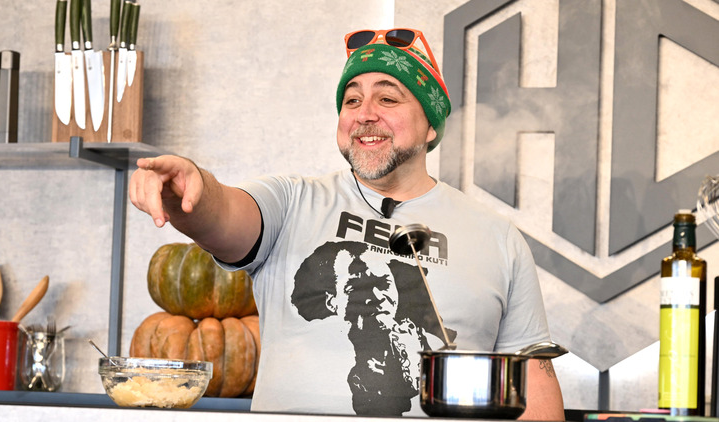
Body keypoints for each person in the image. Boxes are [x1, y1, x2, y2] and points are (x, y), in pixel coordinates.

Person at [129, 28, 565, 419]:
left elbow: (533, 390)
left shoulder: (499, 239)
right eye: (352, 99)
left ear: (431, 124)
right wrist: (192, 186)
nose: (364, 114)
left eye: (388, 98)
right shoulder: (291, 201)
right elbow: (221, 214)